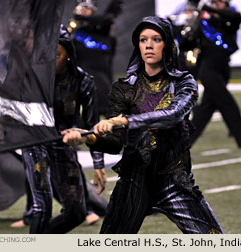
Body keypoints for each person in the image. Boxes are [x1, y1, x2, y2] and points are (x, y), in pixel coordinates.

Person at [61, 16, 223, 234]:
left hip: (174, 181)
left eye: (156, 39)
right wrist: (86, 137)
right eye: (143, 39)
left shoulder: (184, 82)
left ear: (167, 43)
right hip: (133, 181)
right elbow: (115, 142)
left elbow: (172, 115)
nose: (148, 45)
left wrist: (126, 120)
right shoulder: (124, 89)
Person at [21, 25, 107, 234]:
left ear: (68, 53)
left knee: (76, 212)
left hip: (64, 146)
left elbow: (93, 125)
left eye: (57, 55)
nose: (50, 61)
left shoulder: (83, 81)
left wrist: (98, 164)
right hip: (36, 144)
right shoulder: (32, 79)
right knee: (42, 209)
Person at [184, 0, 241, 159]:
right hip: (208, 70)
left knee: (204, 110)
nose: (216, 4)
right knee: (228, 104)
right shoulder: (204, 21)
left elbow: (235, 17)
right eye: (213, 2)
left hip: (223, 69)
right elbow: (188, 43)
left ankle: (183, 147)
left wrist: (209, 9)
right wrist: (191, 26)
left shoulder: (229, 19)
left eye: (219, 2)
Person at [71, 0, 123, 115]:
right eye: (81, 8)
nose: (83, 11)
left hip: (102, 73)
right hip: (86, 74)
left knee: (109, 104)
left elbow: (108, 18)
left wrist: (82, 17)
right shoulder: (77, 34)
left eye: (86, 8)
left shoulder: (101, 28)